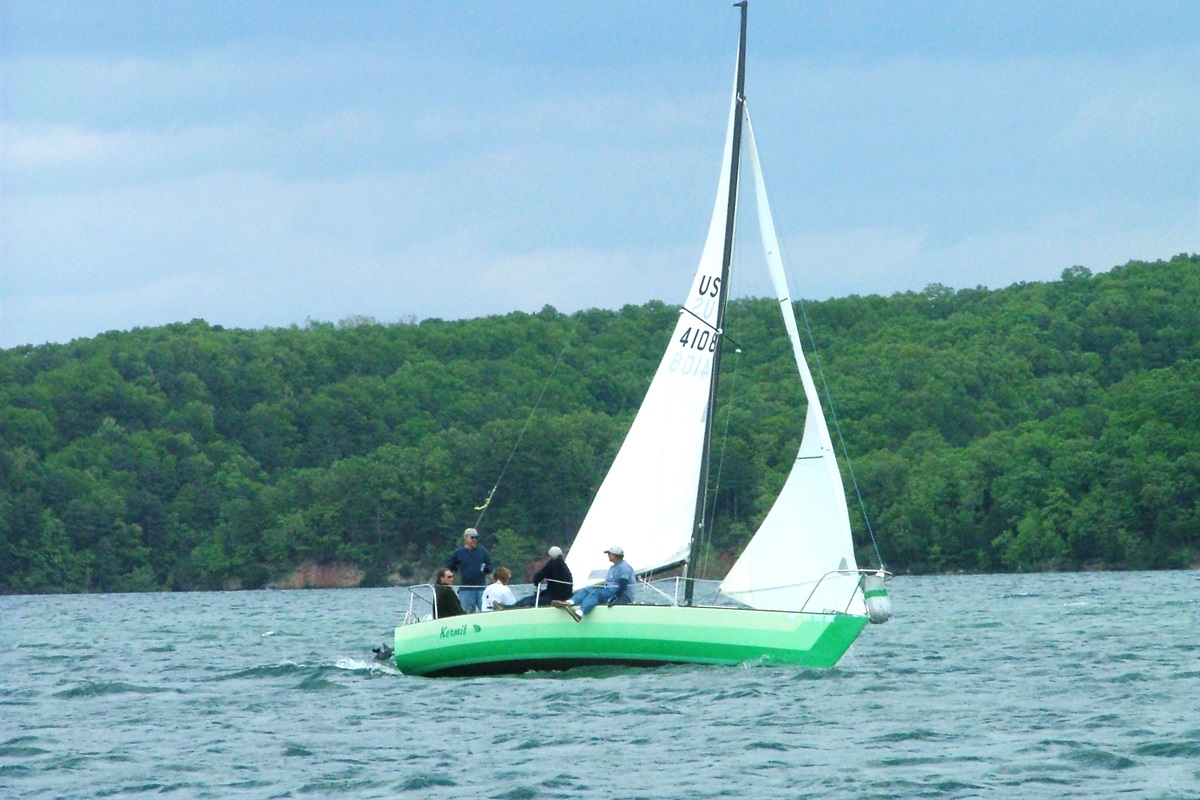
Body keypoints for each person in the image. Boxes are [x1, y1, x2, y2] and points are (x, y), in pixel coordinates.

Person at [552, 545, 634, 622]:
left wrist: (615, 597)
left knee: (596, 593)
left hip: (622, 595)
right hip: (610, 591)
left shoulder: (624, 567)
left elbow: (623, 584)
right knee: (587, 590)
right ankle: (569, 602)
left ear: (614, 555)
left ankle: (580, 613)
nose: (608, 555)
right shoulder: (613, 567)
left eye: (609, 553)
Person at [444, 527, 492, 613]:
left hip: (481, 588)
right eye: (472, 537)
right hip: (466, 589)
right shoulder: (458, 553)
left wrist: (485, 569)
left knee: (486, 612)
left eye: (476, 538)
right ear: (466, 537)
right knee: (466, 614)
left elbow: (490, 567)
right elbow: (449, 566)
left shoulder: (483, 552)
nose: (474, 540)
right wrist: (455, 570)